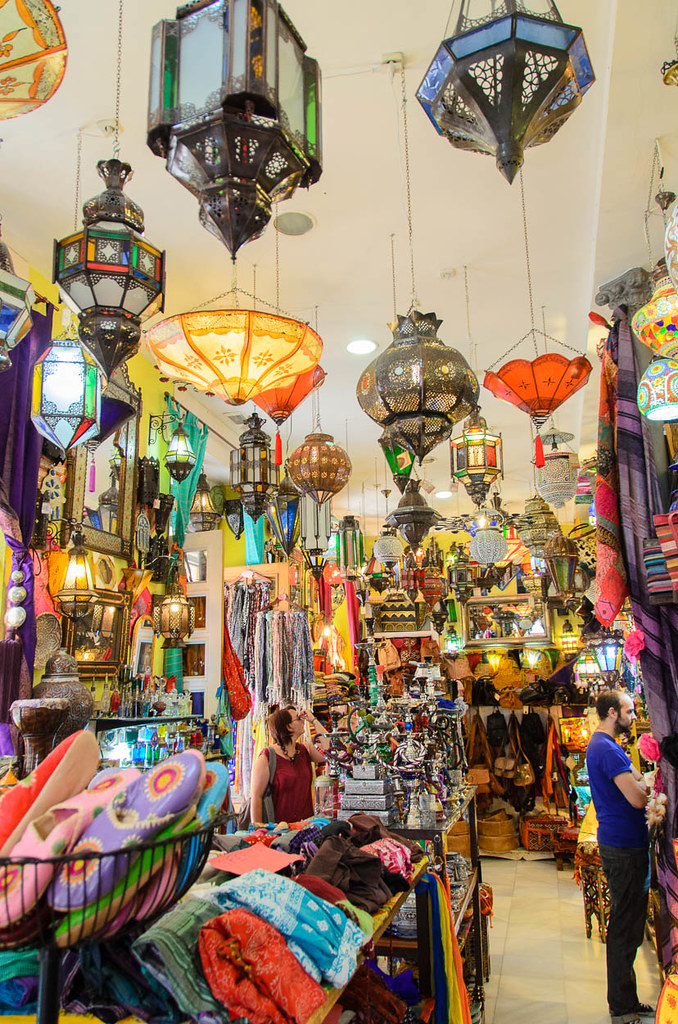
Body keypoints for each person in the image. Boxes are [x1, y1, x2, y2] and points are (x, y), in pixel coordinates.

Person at [586, 689, 653, 1024]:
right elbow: (638, 798)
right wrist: (646, 789)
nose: (633, 715)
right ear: (613, 713)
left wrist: (642, 785)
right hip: (624, 846)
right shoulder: (607, 749)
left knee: (627, 926)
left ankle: (626, 999)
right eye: (629, 710)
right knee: (625, 927)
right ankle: (622, 1005)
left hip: (623, 842)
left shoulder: (605, 747)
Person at [250, 705, 329, 824]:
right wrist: (259, 830)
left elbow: (330, 751)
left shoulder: (305, 749)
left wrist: (314, 720)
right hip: (279, 831)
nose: (303, 720)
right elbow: (256, 797)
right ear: (289, 726)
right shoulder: (267, 757)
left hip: (306, 827)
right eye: (298, 718)